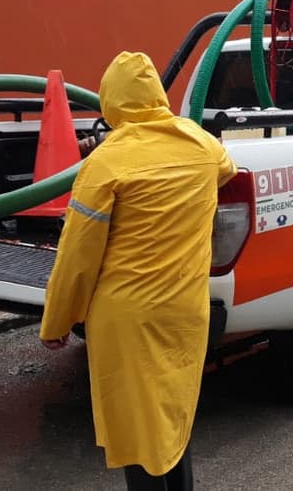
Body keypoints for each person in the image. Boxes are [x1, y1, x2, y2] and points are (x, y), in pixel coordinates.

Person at [40, 51, 236, 491]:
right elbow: (228, 167)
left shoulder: (105, 164)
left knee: (139, 433)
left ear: (112, 101)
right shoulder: (201, 145)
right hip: (186, 311)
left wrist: (57, 319)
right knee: (173, 418)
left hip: (128, 321)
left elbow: (77, 258)